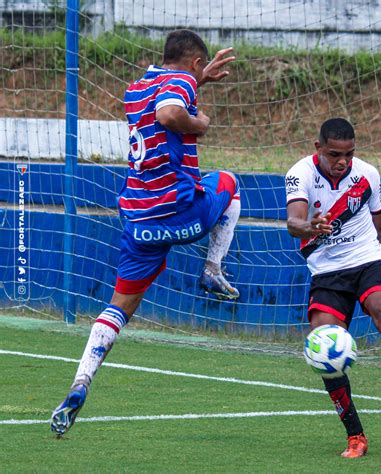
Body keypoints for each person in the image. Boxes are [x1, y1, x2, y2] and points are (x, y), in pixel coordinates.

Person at [51, 29, 240, 436]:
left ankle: (81, 380)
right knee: (229, 182)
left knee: (118, 308)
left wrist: (197, 79)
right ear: (193, 62)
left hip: (139, 221)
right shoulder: (182, 83)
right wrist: (199, 123)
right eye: (197, 70)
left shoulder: (136, 87)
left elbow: (164, 98)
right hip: (180, 213)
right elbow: (170, 114)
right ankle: (213, 268)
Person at [285, 117, 381, 458]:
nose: (343, 160)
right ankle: (355, 436)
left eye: (349, 153)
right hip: (327, 271)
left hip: (369, 259)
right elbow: (293, 222)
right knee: (323, 346)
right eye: (335, 154)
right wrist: (309, 226)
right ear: (319, 149)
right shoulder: (299, 173)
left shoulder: (367, 174)